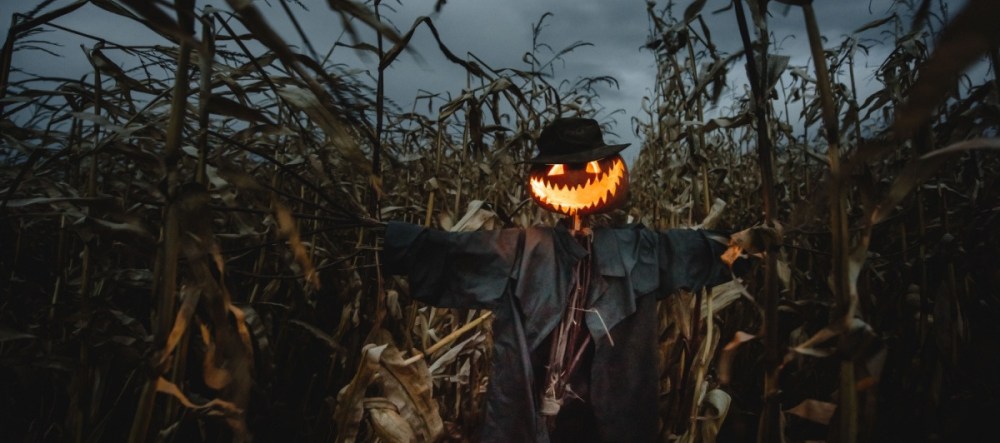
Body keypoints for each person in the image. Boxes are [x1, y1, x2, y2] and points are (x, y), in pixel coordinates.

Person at [383, 117, 732, 442]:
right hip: (535, 416)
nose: (577, 179)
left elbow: (699, 251)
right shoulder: (522, 250)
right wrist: (385, 241)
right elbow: (451, 252)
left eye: (590, 167)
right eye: (562, 168)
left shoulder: (640, 251)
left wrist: (742, 248)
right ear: (542, 174)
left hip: (608, 419)